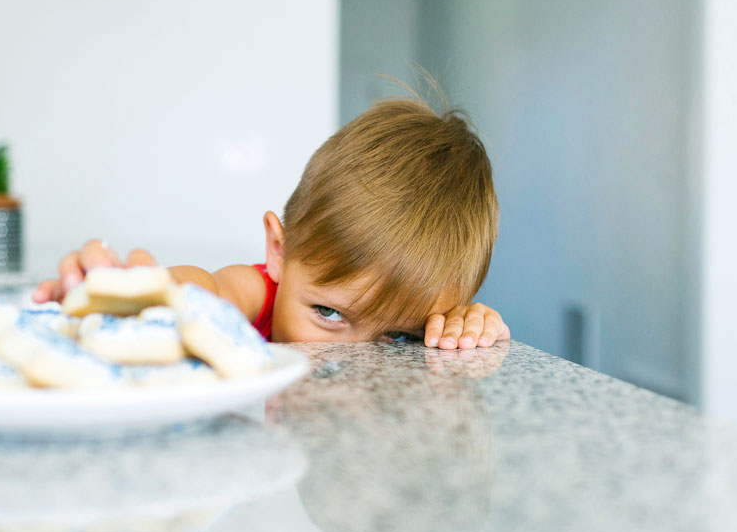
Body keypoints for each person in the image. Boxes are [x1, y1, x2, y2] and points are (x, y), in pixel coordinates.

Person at [32, 93, 509, 350]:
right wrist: (134, 295)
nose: (346, 359)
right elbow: (204, 292)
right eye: (328, 313)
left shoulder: (435, 312)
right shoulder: (256, 295)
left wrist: (468, 326)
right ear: (278, 252)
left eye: (399, 338)